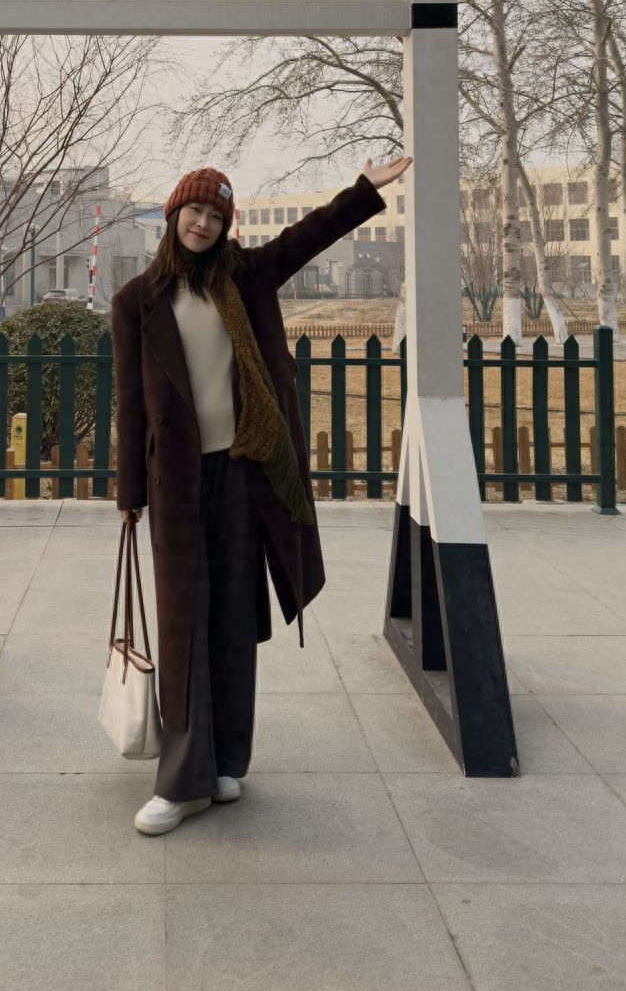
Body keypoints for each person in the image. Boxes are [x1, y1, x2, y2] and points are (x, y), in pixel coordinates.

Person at [109, 154, 412, 835]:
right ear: (173, 212)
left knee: (233, 622)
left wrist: (365, 190)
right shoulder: (136, 301)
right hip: (177, 484)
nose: (204, 222)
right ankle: (181, 779)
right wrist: (129, 492)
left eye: (217, 215)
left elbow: (309, 235)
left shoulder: (244, 278)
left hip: (244, 471)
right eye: (195, 209)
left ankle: (222, 763)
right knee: (186, 623)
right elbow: (130, 405)